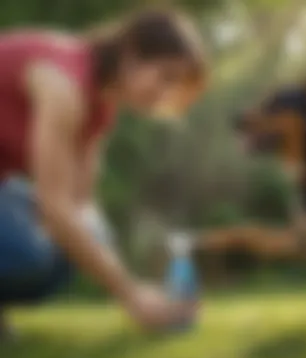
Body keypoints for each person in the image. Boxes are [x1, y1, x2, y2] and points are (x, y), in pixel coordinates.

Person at [0, 8, 207, 336]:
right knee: (30, 254)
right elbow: (55, 208)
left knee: (67, 252)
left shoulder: (99, 109)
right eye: (165, 76)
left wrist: (134, 283)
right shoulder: (62, 84)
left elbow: (80, 205)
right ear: (132, 52)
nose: (164, 94)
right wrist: (130, 293)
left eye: (175, 84)